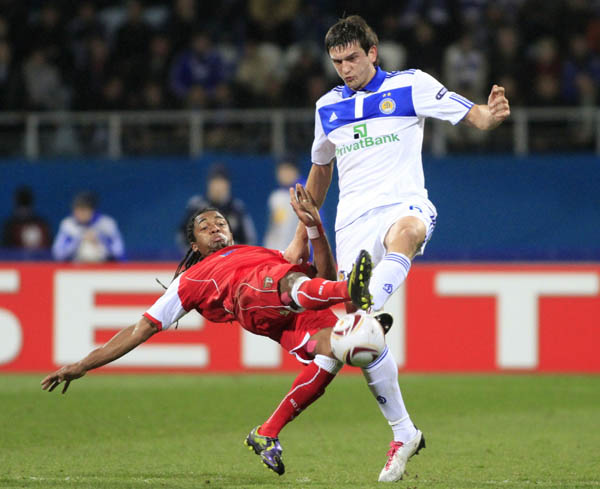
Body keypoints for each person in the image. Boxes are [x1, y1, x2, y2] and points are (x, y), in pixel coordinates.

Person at [284, 15, 510, 482]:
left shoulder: (412, 86)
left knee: (406, 232)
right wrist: (300, 231)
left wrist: (489, 117)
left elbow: (472, 115)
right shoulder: (327, 107)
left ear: (373, 51)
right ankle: (404, 431)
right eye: (336, 62)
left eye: (351, 59)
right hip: (351, 224)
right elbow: (321, 170)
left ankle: (366, 303)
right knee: (359, 346)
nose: (344, 69)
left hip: (403, 202)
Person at [42, 184, 375, 476]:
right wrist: (84, 364)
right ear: (194, 244)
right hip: (251, 298)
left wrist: (315, 227)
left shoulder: (258, 252)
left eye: (221, 223)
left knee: (335, 352)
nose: (215, 228)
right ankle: (353, 294)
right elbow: (139, 329)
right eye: (205, 226)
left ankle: (266, 432)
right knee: (286, 284)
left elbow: (323, 278)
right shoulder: (189, 280)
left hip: (285, 306)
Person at [177, 163, 257, 252]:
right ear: (209, 184)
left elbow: (249, 239)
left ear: (227, 185)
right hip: (202, 261)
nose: (218, 186)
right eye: (215, 182)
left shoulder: (236, 208)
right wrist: (193, 253)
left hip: (229, 261)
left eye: (221, 182)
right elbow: (182, 234)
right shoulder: (197, 206)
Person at [52, 191, 125, 262]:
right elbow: (58, 254)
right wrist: (79, 239)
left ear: (92, 210)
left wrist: (99, 239)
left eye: (84, 210)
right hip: (75, 268)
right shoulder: (68, 225)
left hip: (104, 268)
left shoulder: (106, 224)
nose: (80, 213)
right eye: (77, 209)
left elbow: (119, 252)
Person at [263, 157, 304, 250]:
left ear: (296, 171)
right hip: (277, 252)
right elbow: (273, 228)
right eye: (282, 170)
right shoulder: (275, 197)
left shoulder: (303, 193)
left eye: (288, 169)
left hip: (298, 253)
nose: (284, 174)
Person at [2, 185, 52, 250]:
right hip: (16, 259)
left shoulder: (41, 224)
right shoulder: (10, 226)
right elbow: (5, 250)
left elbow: (50, 248)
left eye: (26, 207)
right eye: (21, 208)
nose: (24, 211)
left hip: (40, 259)